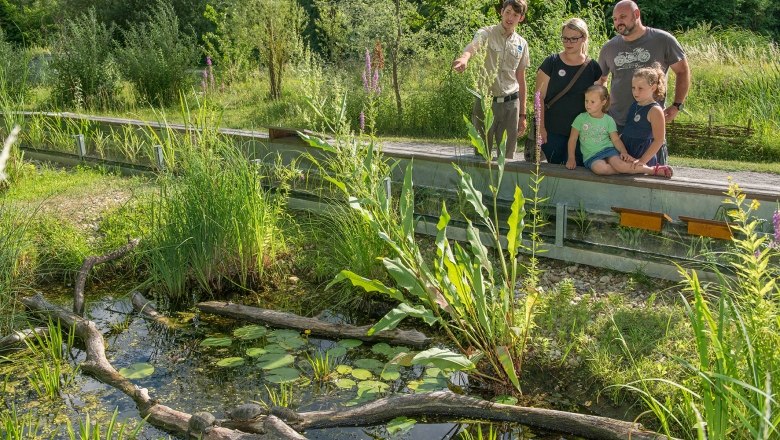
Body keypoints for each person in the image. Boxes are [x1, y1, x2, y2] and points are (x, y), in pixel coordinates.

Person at [597, 0, 690, 164]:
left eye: (623, 17)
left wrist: (677, 105)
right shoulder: (609, 47)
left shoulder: (663, 40)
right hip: (618, 125)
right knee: (616, 173)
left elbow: (682, 71)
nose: (618, 22)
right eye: (615, 19)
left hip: (649, 126)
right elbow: (601, 81)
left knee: (652, 174)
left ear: (637, 14)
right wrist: (602, 109)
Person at [452, 0, 529, 159]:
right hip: (485, 103)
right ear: (501, 12)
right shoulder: (486, 33)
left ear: (521, 18)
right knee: (481, 154)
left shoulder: (522, 44)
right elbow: (473, 46)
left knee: (507, 157)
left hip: (511, 105)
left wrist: (523, 115)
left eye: (515, 15)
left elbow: (521, 80)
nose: (510, 18)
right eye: (507, 12)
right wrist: (464, 58)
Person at [566, 85, 673, 178]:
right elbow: (573, 139)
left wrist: (623, 152)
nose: (588, 104)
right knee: (600, 169)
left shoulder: (608, 120)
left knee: (619, 165)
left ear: (603, 102)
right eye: (586, 101)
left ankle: (652, 170)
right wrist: (571, 158)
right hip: (591, 156)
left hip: (608, 150)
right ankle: (633, 169)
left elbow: (616, 140)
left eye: (592, 102)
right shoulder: (580, 118)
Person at [535, 17, 602, 165]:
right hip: (553, 131)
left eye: (573, 39)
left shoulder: (593, 67)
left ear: (584, 38)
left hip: (582, 133)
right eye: (565, 38)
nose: (568, 43)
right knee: (554, 171)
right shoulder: (551, 62)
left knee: (578, 171)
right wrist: (541, 128)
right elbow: (539, 97)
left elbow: (599, 103)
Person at [622, 63, 668, 168]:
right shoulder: (634, 105)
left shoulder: (655, 110)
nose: (635, 92)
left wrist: (642, 161)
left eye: (640, 88)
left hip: (643, 154)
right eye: (633, 88)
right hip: (627, 153)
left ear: (653, 88)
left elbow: (659, 140)